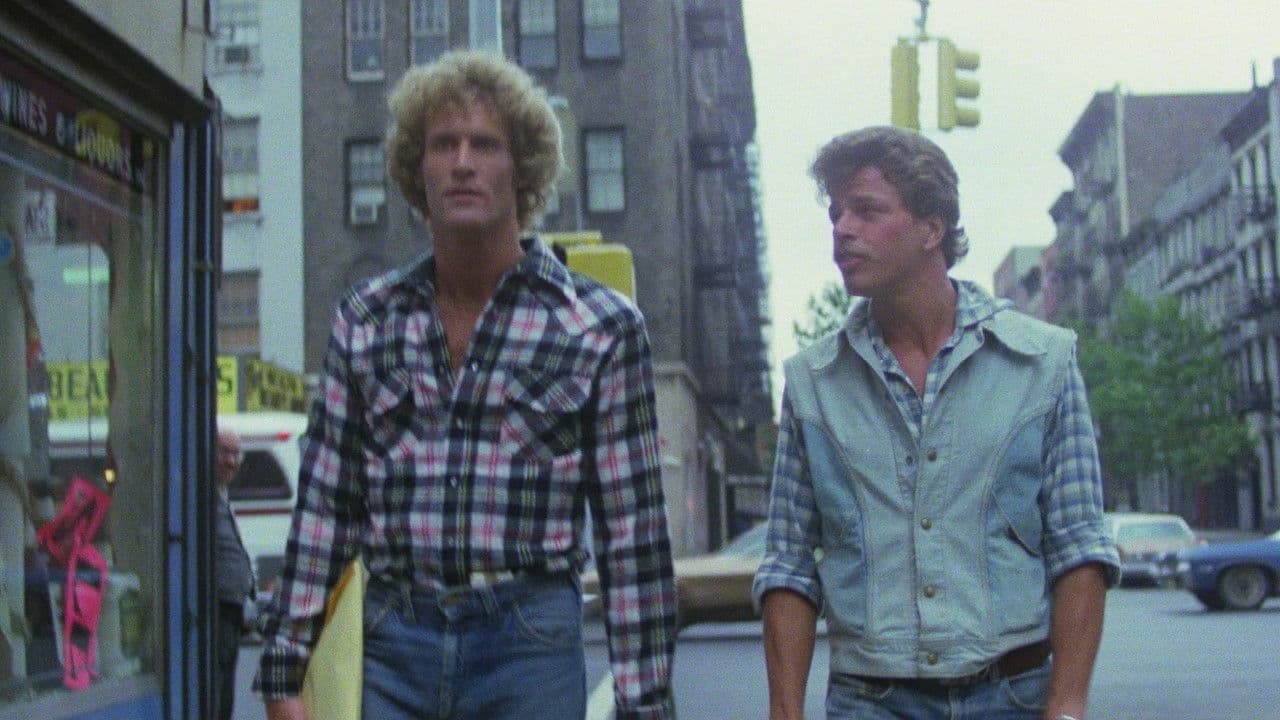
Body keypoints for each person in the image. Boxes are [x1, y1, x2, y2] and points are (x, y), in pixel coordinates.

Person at [254, 50, 678, 720]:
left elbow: (633, 536)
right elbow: (325, 509)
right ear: (416, 168)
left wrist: (644, 702)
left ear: (522, 168)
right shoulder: (366, 319)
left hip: (528, 641)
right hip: (392, 639)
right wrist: (285, 671)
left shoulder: (599, 326)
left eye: (484, 144)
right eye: (442, 144)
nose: (461, 162)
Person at [753, 126, 1121, 720]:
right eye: (836, 212)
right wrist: (785, 712)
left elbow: (1079, 546)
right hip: (871, 701)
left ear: (932, 228)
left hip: (1014, 693)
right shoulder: (812, 383)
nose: (842, 229)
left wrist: (1067, 707)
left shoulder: (1043, 362)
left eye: (866, 210)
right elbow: (789, 564)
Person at [214, 425, 255, 720]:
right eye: (224, 452)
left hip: (231, 609)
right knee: (218, 688)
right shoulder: (202, 495)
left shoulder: (221, 494)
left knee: (226, 686)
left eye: (236, 454)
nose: (231, 461)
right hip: (217, 608)